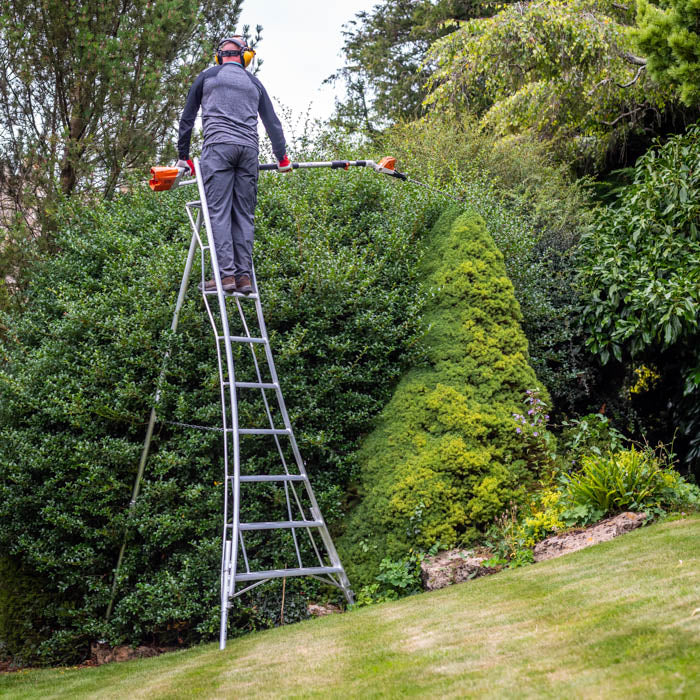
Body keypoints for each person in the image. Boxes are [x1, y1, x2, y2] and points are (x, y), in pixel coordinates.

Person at [177, 36, 291, 295]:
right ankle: (244, 277)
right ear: (244, 57)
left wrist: (184, 157)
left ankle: (225, 276)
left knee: (218, 213)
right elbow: (273, 123)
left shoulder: (207, 77)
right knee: (243, 214)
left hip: (218, 150)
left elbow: (187, 118)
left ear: (220, 56)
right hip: (249, 152)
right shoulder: (255, 83)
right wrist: (282, 158)